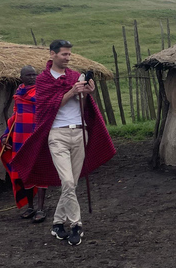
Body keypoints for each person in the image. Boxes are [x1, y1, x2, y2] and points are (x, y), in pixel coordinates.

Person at [12, 40, 116, 246]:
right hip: (56, 135)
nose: (68, 58)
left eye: (69, 55)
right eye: (64, 55)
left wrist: (86, 93)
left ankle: (58, 224)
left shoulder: (74, 76)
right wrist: (70, 92)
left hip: (80, 133)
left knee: (72, 184)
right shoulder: (42, 80)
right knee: (67, 182)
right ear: (52, 54)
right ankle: (76, 225)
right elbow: (47, 107)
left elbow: (83, 106)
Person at [0, 65, 48, 222]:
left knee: (40, 172)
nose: (32, 77)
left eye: (34, 74)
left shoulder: (42, 93)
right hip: (21, 138)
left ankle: (41, 209)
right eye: (29, 75)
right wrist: (6, 135)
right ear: (22, 78)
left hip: (38, 137)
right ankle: (30, 207)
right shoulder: (19, 95)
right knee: (24, 173)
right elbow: (14, 118)